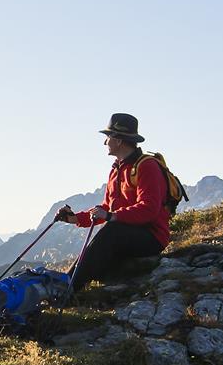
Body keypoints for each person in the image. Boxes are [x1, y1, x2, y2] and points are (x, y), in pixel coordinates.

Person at [58, 113, 171, 290]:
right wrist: (74, 218)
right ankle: (68, 284)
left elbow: (149, 209)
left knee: (111, 231)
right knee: (110, 233)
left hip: (152, 237)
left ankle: (67, 287)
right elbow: (106, 208)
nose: (105, 142)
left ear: (118, 140)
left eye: (108, 137)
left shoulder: (146, 166)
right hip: (126, 234)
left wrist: (111, 216)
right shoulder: (116, 169)